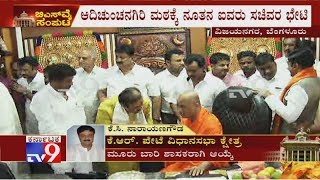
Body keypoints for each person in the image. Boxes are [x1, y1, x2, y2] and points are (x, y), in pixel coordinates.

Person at [30, 63, 87, 174]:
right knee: (63, 174)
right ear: (55, 81)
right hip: (58, 145)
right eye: (68, 81)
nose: (71, 83)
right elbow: (48, 127)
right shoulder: (41, 98)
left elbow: (80, 115)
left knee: (85, 173)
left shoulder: (71, 91)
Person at [162, 91, 229, 176]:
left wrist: (202, 166)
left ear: (196, 104)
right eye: (178, 106)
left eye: (183, 107)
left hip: (203, 168)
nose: (179, 111)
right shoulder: (185, 120)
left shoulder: (211, 123)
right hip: (184, 163)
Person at [256, 48, 320, 134]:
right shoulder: (316, 80)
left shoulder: (299, 86)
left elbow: (290, 116)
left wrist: (268, 95)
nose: (288, 68)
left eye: (288, 65)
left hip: (292, 138)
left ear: (295, 65)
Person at [96, 87, 153, 174]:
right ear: (125, 106)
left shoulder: (145, 104)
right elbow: (104, 134)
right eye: (137, 107)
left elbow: (149, 126)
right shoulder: (105, 108)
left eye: (141, 104)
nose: (141, 108)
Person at [105, 44, 161, 122]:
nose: (118, 60)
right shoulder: (108, 72)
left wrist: (156, 118)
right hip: (113, 119)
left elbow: (156, 97)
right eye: (116, 57)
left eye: (122, 57)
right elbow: (102, 91)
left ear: (132, 58)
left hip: (141, 118)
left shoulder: (145, 73)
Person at [73, 47, 109, 124]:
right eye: (79, 58)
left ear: (93, 59)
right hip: (78, 114)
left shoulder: (104, 74)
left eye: (84, 58)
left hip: (98, 113)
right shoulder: (74, 74)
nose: (80, 60)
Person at [14, 57, 45, 134]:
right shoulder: (20, 81)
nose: (22, 73)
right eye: (20, 70)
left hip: (44, 121)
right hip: (29, 120)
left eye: (25, 70)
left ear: (34, 68)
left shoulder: (44, 80)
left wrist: (25, 92)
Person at [155, 49, 186, 124]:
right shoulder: (158, 78)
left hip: (188, 114)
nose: (182, 63)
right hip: (167, 117)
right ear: (168, 62)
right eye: (178, 61)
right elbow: (156, 101)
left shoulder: (189, 74)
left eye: (183, 60)